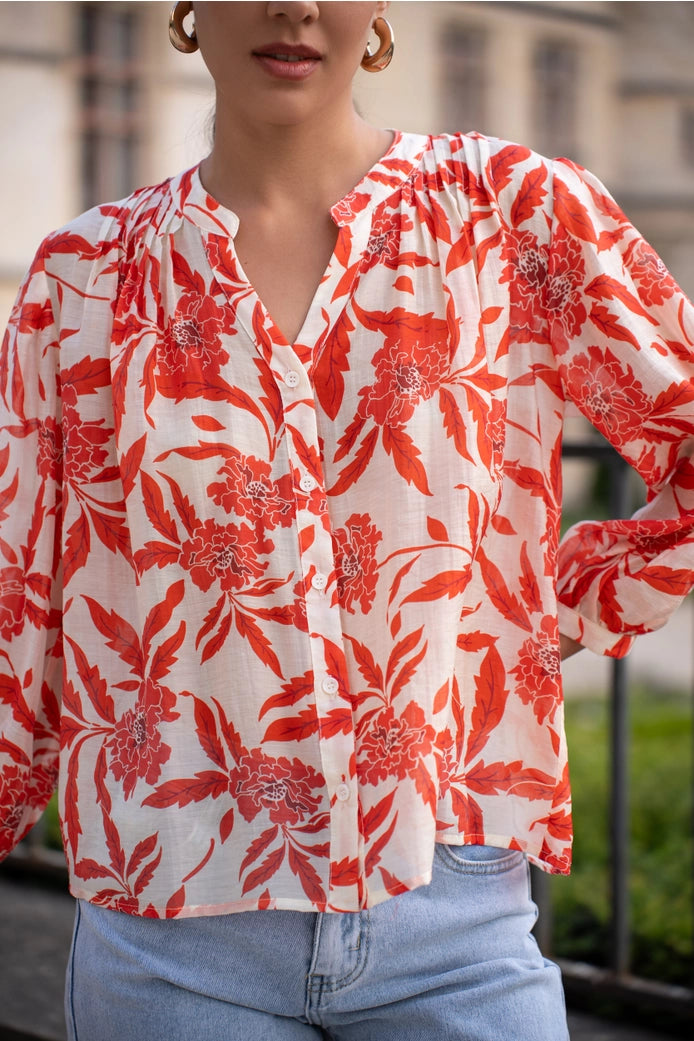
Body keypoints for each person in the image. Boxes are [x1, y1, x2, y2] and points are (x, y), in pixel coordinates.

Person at [1, 2, 693, 1038]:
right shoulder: (81, 277)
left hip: (453, 917)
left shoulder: (512, 213)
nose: (295, 5)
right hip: (170, 923)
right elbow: (20, 588)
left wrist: (573, 603)